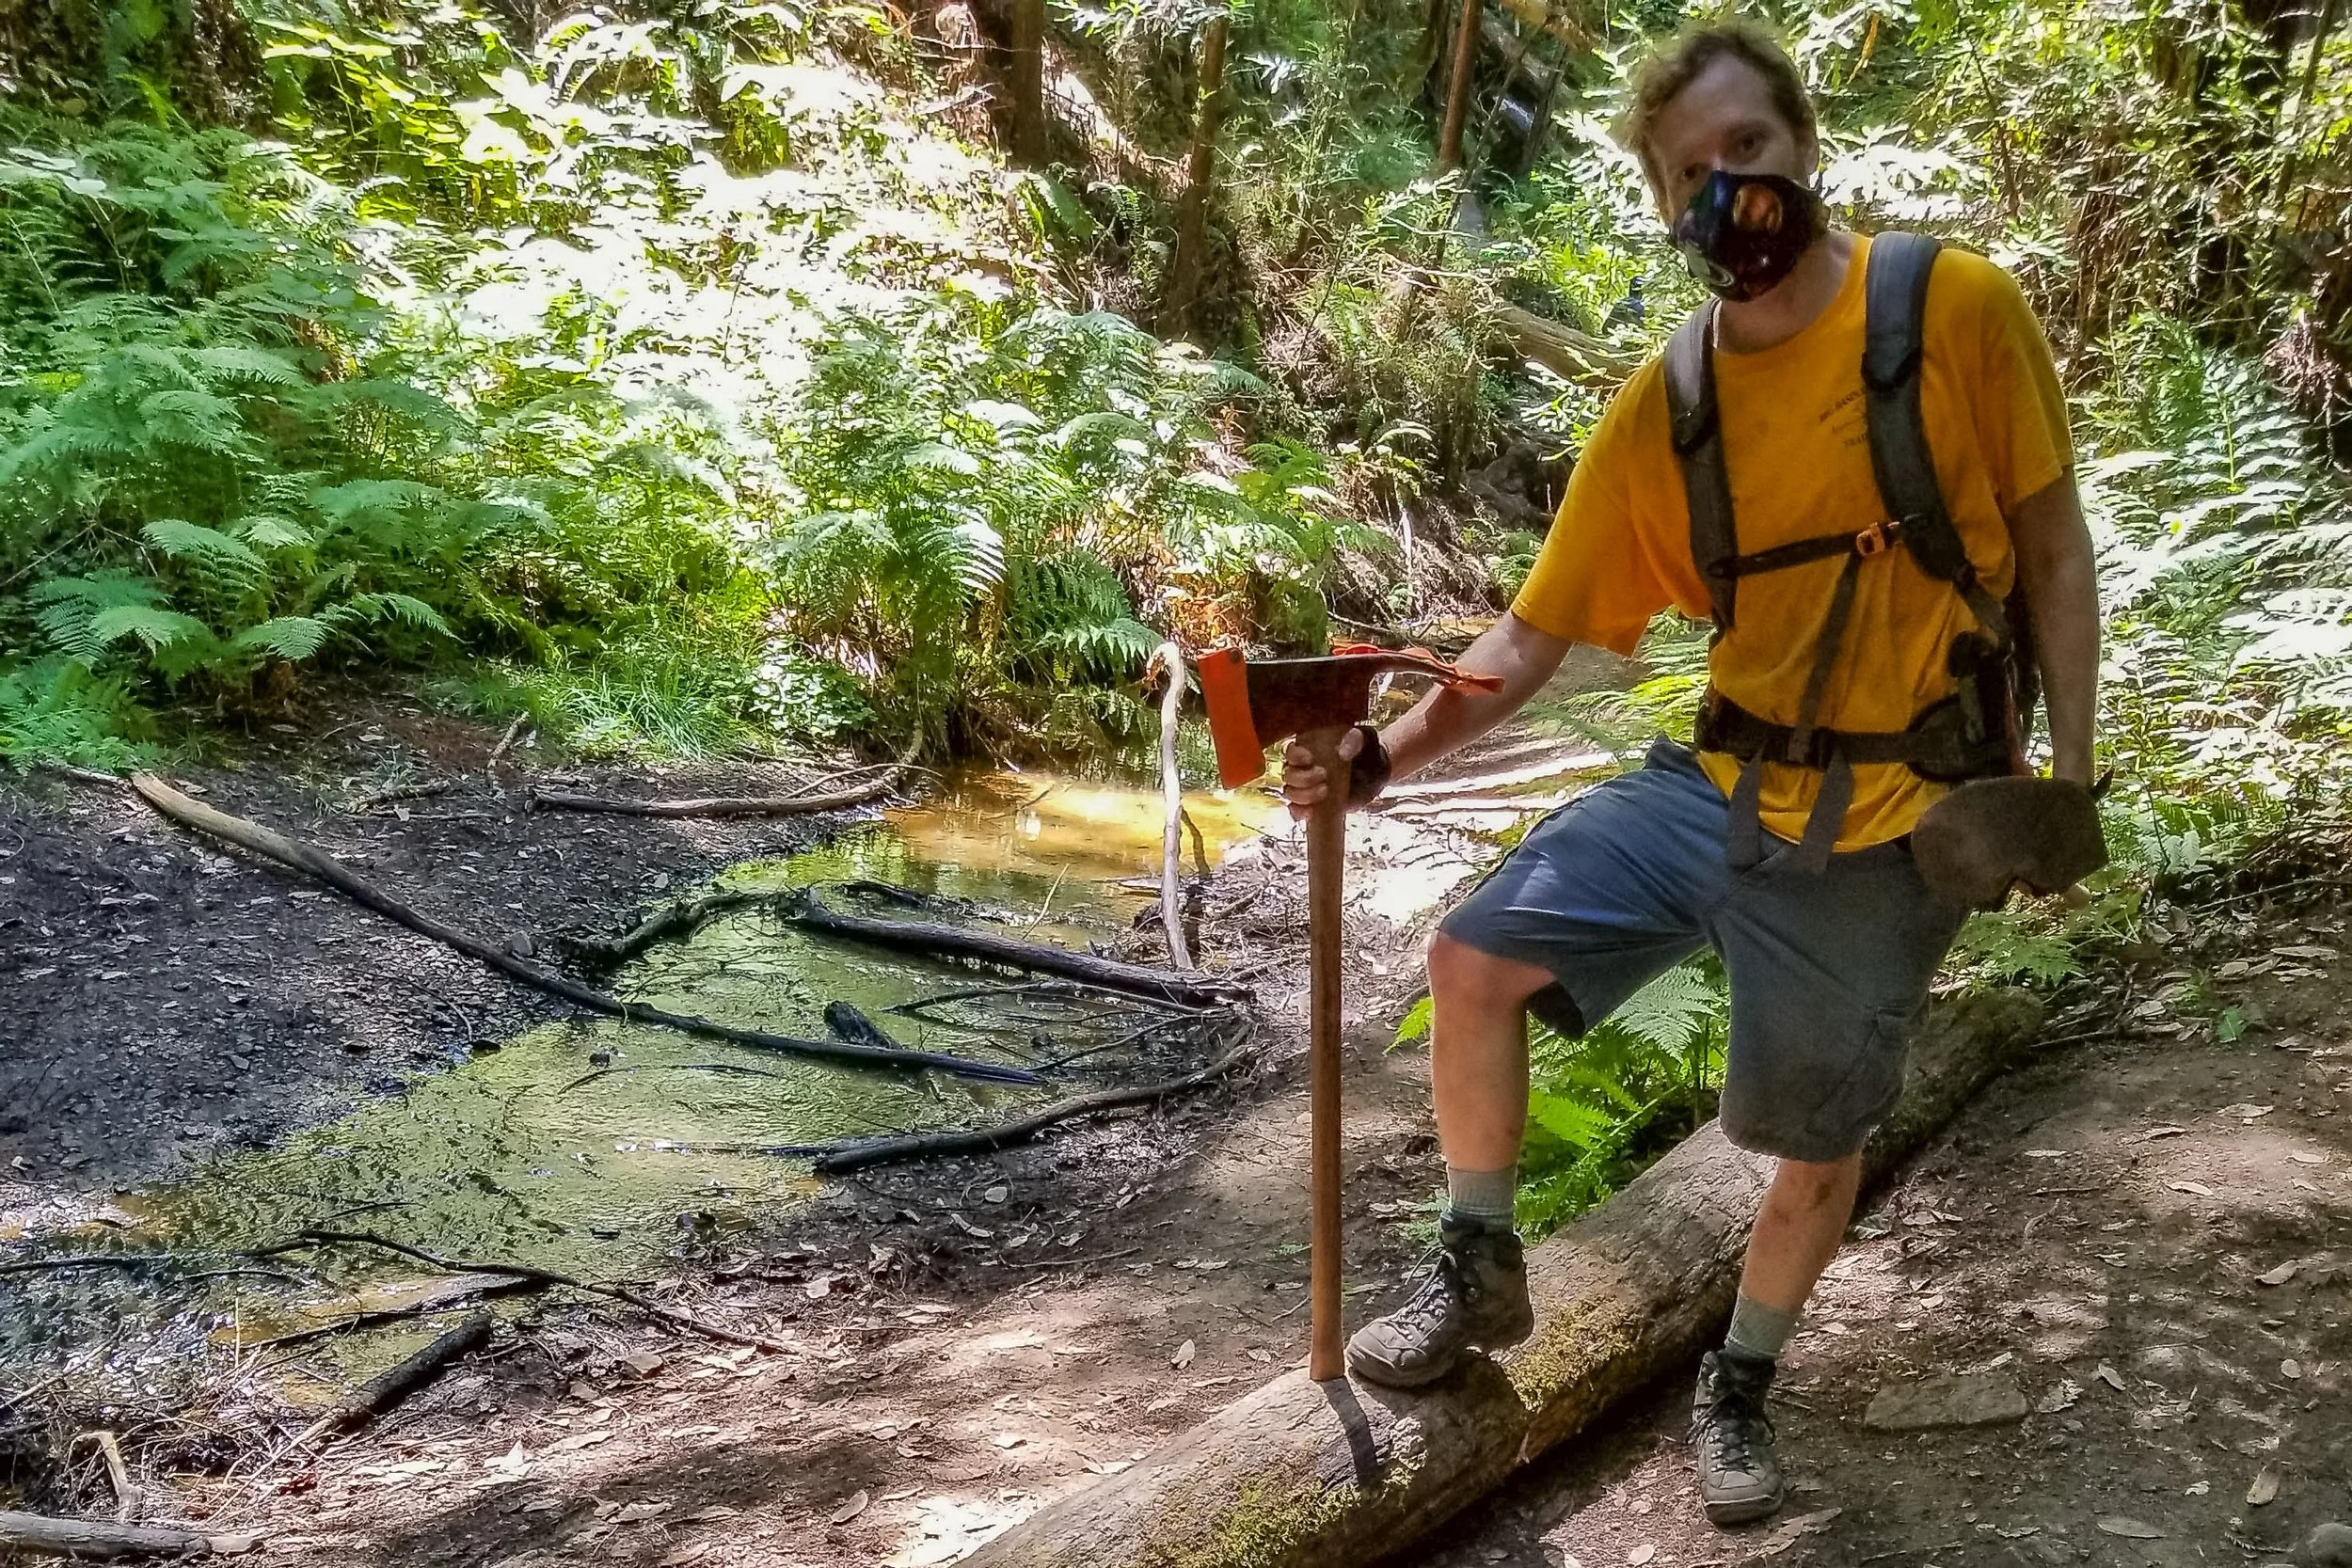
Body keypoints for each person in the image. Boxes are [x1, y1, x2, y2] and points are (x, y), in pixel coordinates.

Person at [1279, 19, 2099, 1529]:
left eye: (1749, 150)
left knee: (1810, 1143)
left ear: (1804, 144)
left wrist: (2072, 775)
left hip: (1904, 827)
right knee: (1471, 959)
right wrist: (1382, 755)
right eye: (1692, 170)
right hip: (1715, 787)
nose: (1730, 188)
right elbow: (1532, 635)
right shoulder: (1672, 404)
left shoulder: (1959, 310)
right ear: (1663, 205)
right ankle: (1478, 1266)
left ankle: (1741, 1379)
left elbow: (2052, 548)